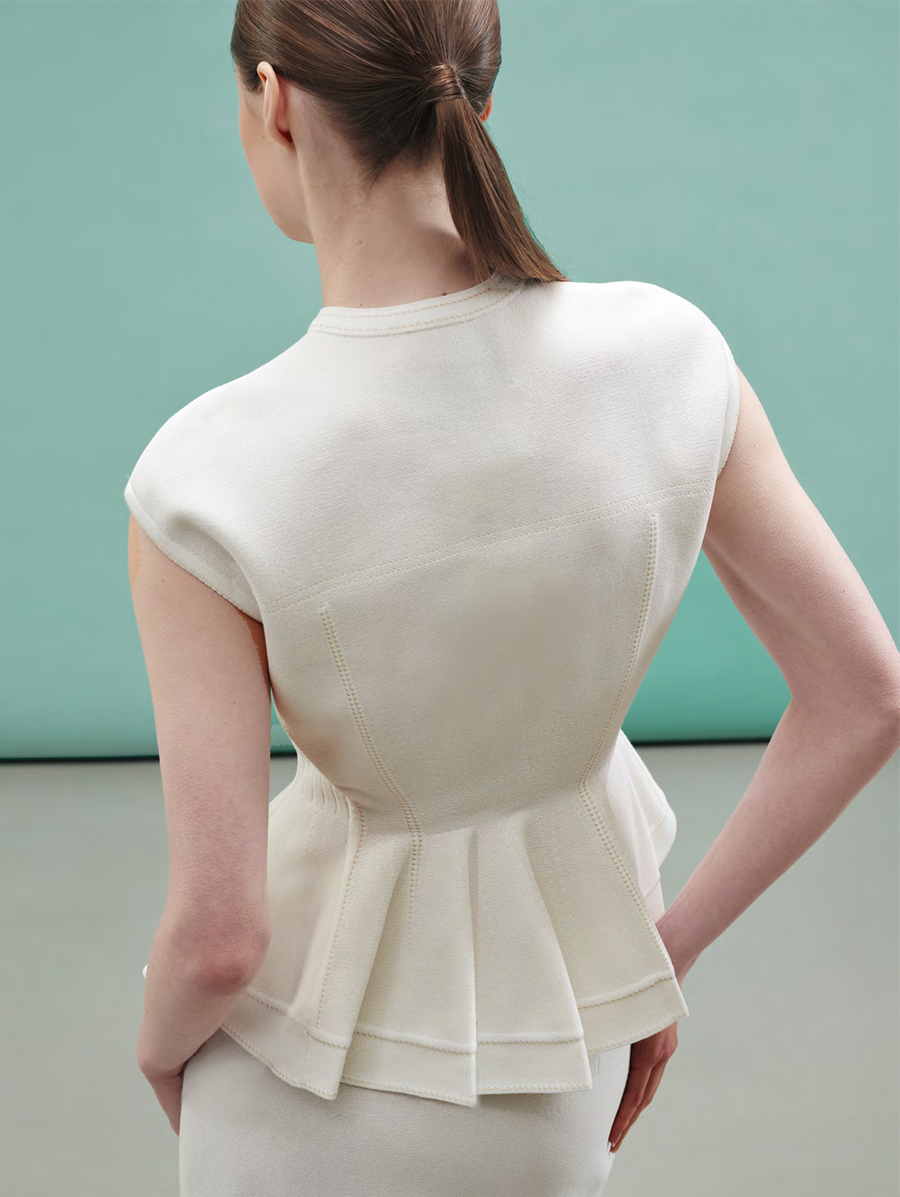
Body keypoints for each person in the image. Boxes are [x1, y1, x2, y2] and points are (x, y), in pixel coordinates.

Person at [124, 2, 900, 1194]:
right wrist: (659, 959)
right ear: (479, 95)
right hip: (564, 1063)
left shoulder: (204, 476)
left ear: (274, 102)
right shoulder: (672, 358)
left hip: (300, 1079)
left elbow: (222, 941)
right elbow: (867, 697)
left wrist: (159, 1052)